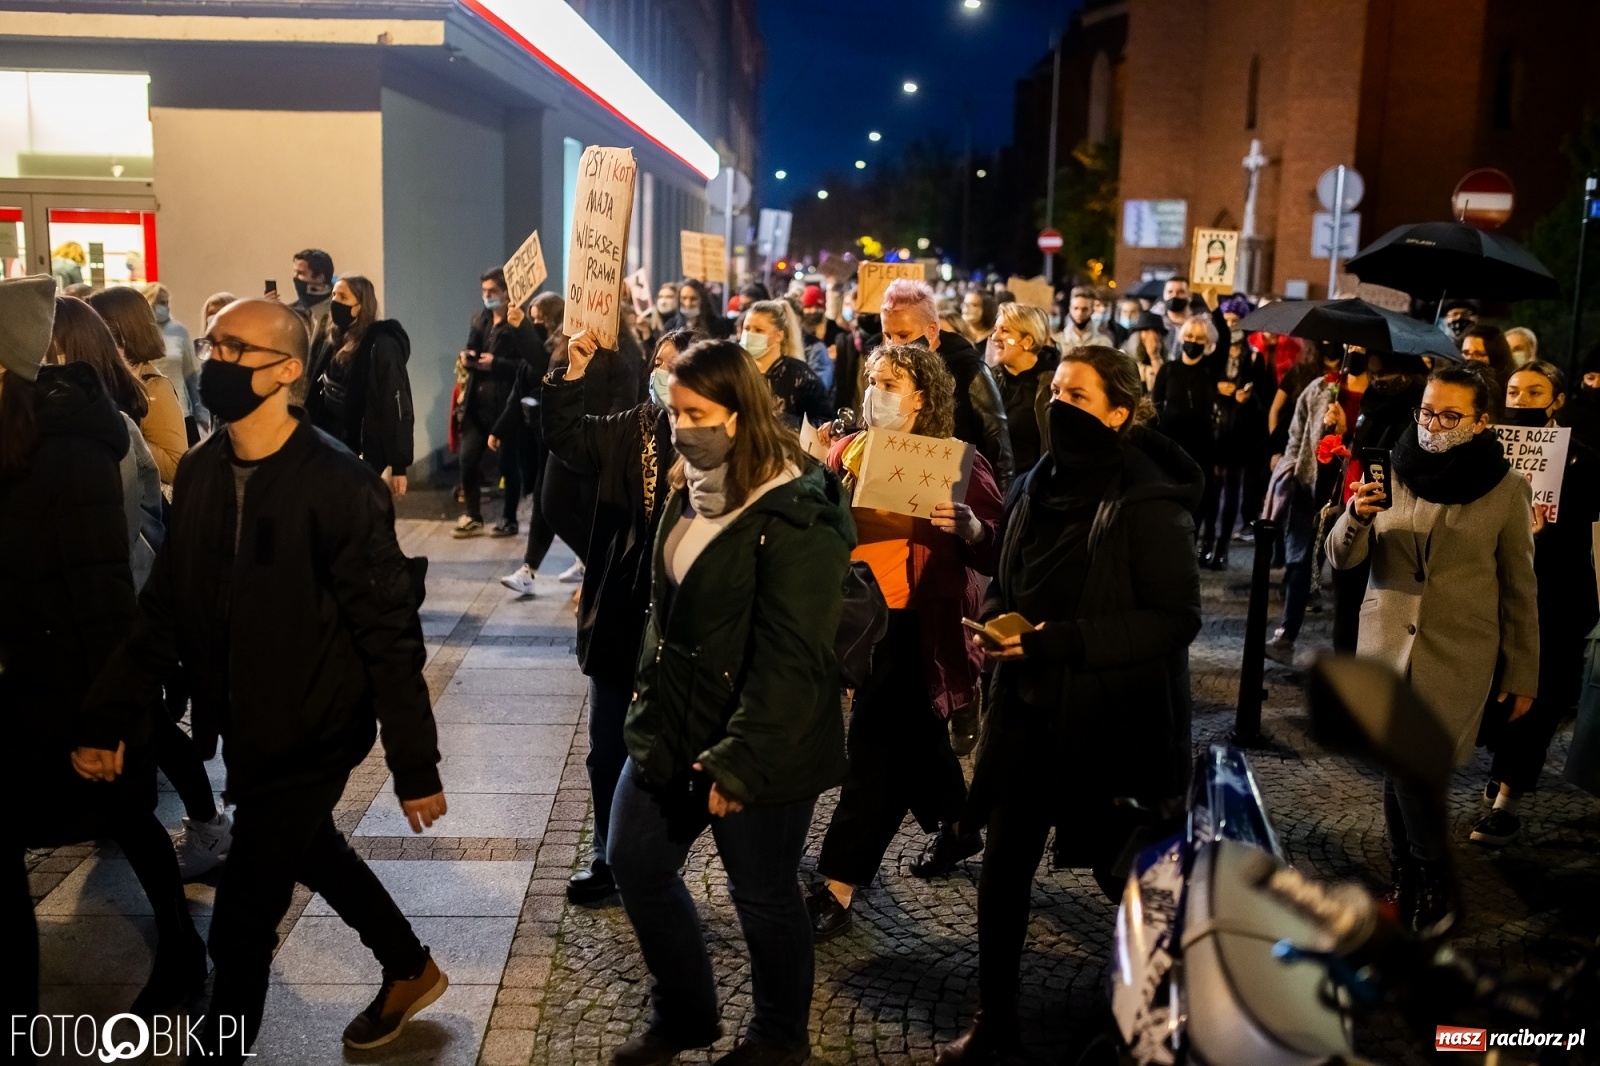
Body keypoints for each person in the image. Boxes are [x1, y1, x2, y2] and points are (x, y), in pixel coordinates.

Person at [81, 297, 450, 1061]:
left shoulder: (340, 484)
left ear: (285, 371)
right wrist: (111, 714)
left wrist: (415, 763)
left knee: (243, 924)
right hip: (245, 721)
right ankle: (409, 967)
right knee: (312, 850)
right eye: (212, 345)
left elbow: (388, 633)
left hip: (315, 728)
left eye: (234, 350)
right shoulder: (205, 469)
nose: (214, 360)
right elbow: (165, 610)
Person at [939, 345, 1202, 1064]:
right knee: (1004, 869)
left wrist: (1063, 641)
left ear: (1120, 413)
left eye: (1078, 396)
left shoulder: (1148, 499)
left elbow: (1175, 619)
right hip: (1025, 708)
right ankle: (996, 1020)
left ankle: (1153, 1019)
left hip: (1113, 719)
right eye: (1055, 392)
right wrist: (996, 619)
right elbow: (1008, 571)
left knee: (1129, 878)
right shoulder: (1033, 483)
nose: (1058, 405)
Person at [604, 338, 851, 1066]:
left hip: (760, 739)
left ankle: (779, 1039)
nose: (681, 427)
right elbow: (670, 610)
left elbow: (791, 656)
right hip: (672, 722)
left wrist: (741, 759)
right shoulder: (695, 482)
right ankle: (685, 1014)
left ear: (740, 415)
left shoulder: (794, 511)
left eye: (697, 414)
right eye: (674, 411)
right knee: (634, 861)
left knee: (763, 893)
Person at [2, 277, 207, 1022]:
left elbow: (103, 583)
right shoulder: (25, 432)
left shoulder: (78, 442)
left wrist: (110, 715)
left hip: (76, 670)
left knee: (125, 814)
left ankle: (183, 952)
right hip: (29, 670)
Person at [1328, 363, 1538, 935]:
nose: (1432, 424)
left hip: (1458, 655)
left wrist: (1523, 671)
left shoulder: (1507, 488)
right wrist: (1355, 517)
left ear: (1480, 421)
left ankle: (1429, 878)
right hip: (1384, 645)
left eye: (1449, 416)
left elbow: (1520, 588)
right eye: (1426, 411)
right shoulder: (1391, 469)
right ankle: (1413, 878)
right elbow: (1340, 559)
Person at [807, 343, 1003, 941]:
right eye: (872, 380)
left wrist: (974, 529)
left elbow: (1000, 546)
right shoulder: (850, 450)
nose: (876, 392)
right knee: (913, 736)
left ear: (922, 398)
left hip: (917, 623)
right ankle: (959, 821)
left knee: (874, 750)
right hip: (856, 618)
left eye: (890, 383)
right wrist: (819, 470)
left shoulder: (956, 462)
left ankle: (838, 883)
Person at [537, 328, 691, 902]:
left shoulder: (717, 442)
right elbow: (566, 437)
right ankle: (605, 855)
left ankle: (656, 859)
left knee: (672, 750)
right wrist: (571, 371)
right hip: (623, 612)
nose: (663, 374)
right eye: (658, 364)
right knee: (606, 749)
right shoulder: (633, 427)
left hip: (680, 621)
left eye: (677, 366)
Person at [1473, 362, 1600, 845]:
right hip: (1496, 595)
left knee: (1538, 698)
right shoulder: (1486, 453)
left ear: (1557, 400)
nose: (1521, 400)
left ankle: (1507, 803)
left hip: (1556, 602)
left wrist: (1547, 533)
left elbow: (1588, 539)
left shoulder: (1582, 461)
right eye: (1513, 391)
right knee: (1498, 693)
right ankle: (1503, 765)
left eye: (1534, 392)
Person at [881, 278, 1014, 490]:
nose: (894, 345)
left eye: (903, 335)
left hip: (958, 494)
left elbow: (999, 452)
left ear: (931, 330)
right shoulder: (886, 374)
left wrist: (999, 506)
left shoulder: (969, 370)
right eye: (888, 335)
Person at [305, 274, 415, 495]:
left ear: (361, 305)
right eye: (334, 295)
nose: (335, 301)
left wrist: (399, 466)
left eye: (343, 297)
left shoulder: (380, 345)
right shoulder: (333, 338)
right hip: (327, 441)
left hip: (361, 446)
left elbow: (395, 402)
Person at [454, 269, 535, 537]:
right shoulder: (481, 320)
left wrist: (496, 363)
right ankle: (473, 515)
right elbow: (471, 346)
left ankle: (509, 518)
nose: (487, 296)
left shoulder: (518, 324)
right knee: (467, 460)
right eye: (484, 291)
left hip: (505, 405)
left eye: (492, 291)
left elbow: (528, 365)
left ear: (506, 293)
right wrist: (468, 356)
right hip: (477, 404)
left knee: (507, 465)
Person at [86, 285, 188, 483]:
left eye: (95, 327)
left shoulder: (154, 387)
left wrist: (120, 428)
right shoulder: (102, 378)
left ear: (122, 330)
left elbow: (174, 466)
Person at [1151, 314, 1220, 553]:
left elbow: (1224, 338)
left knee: (1200, 498)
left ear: (1207, 342)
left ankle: (1189, 545)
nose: (1193, 342)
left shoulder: (1211, 370)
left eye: (1199, 338)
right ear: (1181, 338)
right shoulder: (1168, 370)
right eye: (1189, 336)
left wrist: (1214, 308)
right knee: (1171, 496)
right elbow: (1155, 407)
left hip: (1202, 444)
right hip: (1173, 441)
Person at [1207, 326, 1274, 568]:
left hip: (1239, 433)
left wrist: (1248, 398)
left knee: (1232, 488)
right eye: (1227, 320)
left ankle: (1222, 547)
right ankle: (1207, 542)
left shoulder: (1254, 358)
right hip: (1215, 431)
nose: (1231, 325)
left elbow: (1264, 401)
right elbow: (1202, 387)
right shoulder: (1214, 355)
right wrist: (1216, 388)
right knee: (1212, 490)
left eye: (1235, 320)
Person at [989, 302, 1059, 475]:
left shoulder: (1052, 386)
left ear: (1027, 341)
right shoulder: (987, 379)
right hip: (988, 483)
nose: (994, 337)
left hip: (1029, 485)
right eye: (995, 329)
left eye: (1005, 331)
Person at [741, 298, 832, 429]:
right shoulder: (736, 371)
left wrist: (785, 422)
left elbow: (824, 424)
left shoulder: (801, 377)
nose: (750, 335)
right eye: (746, 328)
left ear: (779, 336)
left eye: (759, 330)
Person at [142, 282, 206, 442]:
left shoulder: (178, 330)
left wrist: (201, 414)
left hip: (181, 408)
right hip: (150, 409)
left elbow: (192, 375)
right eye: (160, 302)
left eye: (166, 302)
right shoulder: (139, 333)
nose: (164, 307)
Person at [1460, 325, 1513, 411]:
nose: (1469, 358)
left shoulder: (1509, 389)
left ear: (1496, 356)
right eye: (1466, 353)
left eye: (1479, 354)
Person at [663, 278, 732, 339]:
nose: (688, 304)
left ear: (703, 300)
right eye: (684, 298)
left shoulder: (717, 325)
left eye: (693, 299)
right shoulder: (671, 326)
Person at [1121, 309, 1168, 395]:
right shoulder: (1123, 357)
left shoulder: (1168, 362)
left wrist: (1154, 356)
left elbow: (1165, 385)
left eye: (1156, 332)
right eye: (1146, 331)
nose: (1152, 336)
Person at [1053, 285, 1114, 350]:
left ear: (1092, 310)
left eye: (1084, 309)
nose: (1079, 313)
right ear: (1070, 309)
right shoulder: (1057, 342)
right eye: (1076, 308)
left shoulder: (1104, 343)